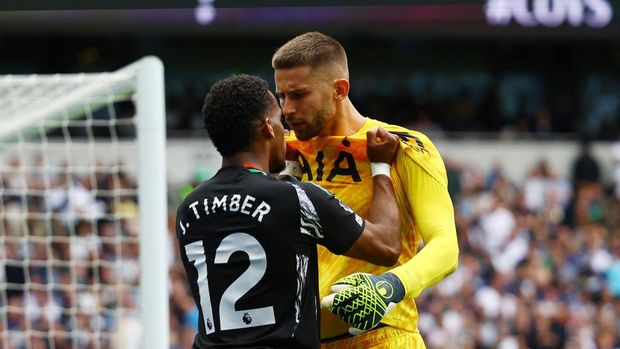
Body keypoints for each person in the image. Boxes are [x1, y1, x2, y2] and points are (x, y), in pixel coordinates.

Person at [176, 74, 404, 349]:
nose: (286, 132)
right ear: (267, 128)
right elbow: (387, 245)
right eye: (280, 122)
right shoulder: (296, 198)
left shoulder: (189, 209)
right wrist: (380, 166)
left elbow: (260, 226)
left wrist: (290, 173)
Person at [272, 32, 459, 348]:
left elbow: (446, 248)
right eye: (281, 96)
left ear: (339, 90)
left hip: (383, 338)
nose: (287, 109)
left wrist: (389, 287)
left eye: (299, 95)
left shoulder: (403, 147)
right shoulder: (285, 151)